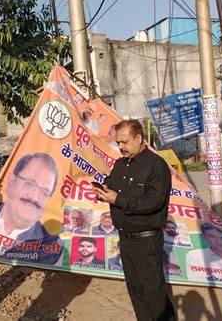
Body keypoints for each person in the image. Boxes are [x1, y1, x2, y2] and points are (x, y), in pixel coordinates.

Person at [94, 119, 176, 321]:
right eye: (118, 143)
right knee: (136, 291)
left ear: (139, 138)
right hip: (126, 238)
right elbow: (111, 186)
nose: (120, 147)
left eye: (124, 142)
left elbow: (153, 202)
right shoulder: (120, 164)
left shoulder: (156, 165)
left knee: (153, 293)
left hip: (147, 241)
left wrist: (118, 199)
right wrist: (103, 191)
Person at [0, 153, 63, 265]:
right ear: (11, 180)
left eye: (44, 192)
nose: (34, 197)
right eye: (29, 184)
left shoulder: (50, 247)